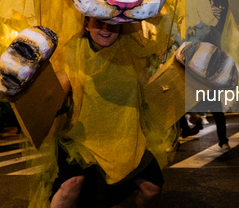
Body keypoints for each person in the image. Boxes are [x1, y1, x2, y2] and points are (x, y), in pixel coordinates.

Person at [49, 17, 165, 208]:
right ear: (86, 25)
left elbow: (148, 89)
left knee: (152, 188)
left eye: (112, 23)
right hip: (82, 136)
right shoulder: (73, 50)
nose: (106, 29)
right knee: (70, 185)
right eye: (98, 23)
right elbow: (57, 92)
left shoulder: (132, 49)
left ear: (121, 26)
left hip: (124, 137)